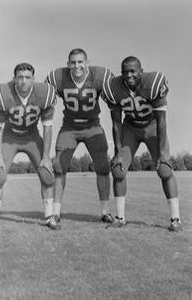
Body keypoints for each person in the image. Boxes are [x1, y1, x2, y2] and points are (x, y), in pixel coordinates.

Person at [102, 56, 182, 231]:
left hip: (152, 126)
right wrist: (117, 152)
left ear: (141, 71)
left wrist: (162, 152)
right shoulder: (113, 87)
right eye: (125, 72)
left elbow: (162, 121)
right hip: (130, 128)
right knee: (118, 170)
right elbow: (116, 122)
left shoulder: (153, 83)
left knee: (165, 169)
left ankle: (175, 219)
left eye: (132, 71)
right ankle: (120, 217)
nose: (129, 75)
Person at [0, 62, 58, 230]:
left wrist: (46, 156)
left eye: (27, 77)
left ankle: (50, 216)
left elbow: (47, 126)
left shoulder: (44, 93)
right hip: (10, 137)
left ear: (33, 79)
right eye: (20, 77)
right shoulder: (3, 93)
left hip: (32, 137)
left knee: (47, 175)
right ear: (14, 78)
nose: (24, 81)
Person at [45, 48, 114, 229]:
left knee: (103, 168)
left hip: (93, 126)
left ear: (87, 62)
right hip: (70, 127)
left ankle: (105, 212)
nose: (77, 66)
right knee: (59, 167)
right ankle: (56, 213)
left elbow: (115, 98)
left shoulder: (100, 75)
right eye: (73, 62)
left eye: (80, 62)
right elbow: (47, 98)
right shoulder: (58, 77)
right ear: (68, 64)